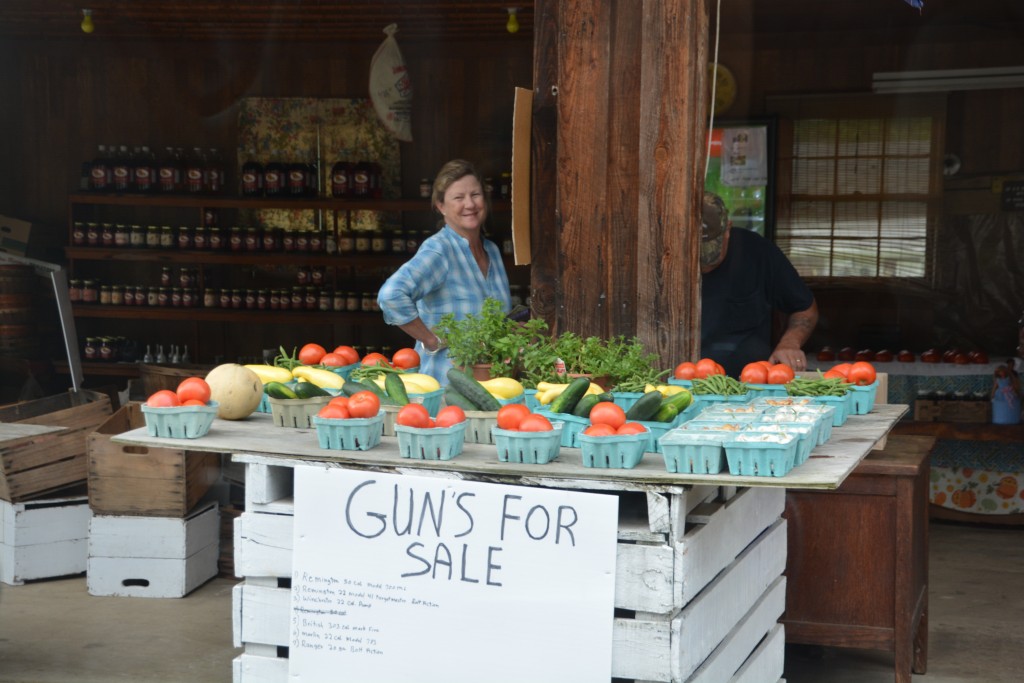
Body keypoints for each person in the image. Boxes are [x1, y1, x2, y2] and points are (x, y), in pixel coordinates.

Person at [377, 159, 511, 384]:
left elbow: (499, 320)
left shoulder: (492, 251)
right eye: (458, 198)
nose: (469, 204)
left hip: (492, 387)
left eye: (475, 195)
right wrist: (430, 340)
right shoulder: (440, 250)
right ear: (441, 206)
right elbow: (391, 295)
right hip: (444, 386)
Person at [699, 191, 819, 377]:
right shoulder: (664, 257)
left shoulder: (758, 252)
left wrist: (789, 343)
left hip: (751, 384)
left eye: (712, 254)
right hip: (681, 380)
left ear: (728, 229)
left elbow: (805, 309)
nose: (705, 264)